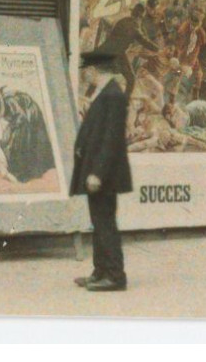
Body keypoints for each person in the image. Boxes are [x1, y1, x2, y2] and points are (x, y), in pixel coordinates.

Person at [70, 48, 134, 292]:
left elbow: (111, 139)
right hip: (98, 170)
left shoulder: (113, 96)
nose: (85, 75)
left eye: (86, 70)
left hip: (104, 173)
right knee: (99, 222)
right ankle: (100, 271)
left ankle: (115, 276)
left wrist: (97, 172)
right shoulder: (104, 93)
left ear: (94, 70)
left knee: (106, 223)